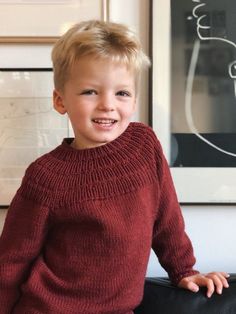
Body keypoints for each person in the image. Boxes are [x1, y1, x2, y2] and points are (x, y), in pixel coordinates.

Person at [0, 20, 229, 314]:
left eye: (121, 93)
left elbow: (166, 216)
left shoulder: (144, 145)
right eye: (90, 92)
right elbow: (12, 260)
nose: (107, 105)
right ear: (60, 100)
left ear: (133, 100)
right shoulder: (46, 176)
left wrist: (184, 269)